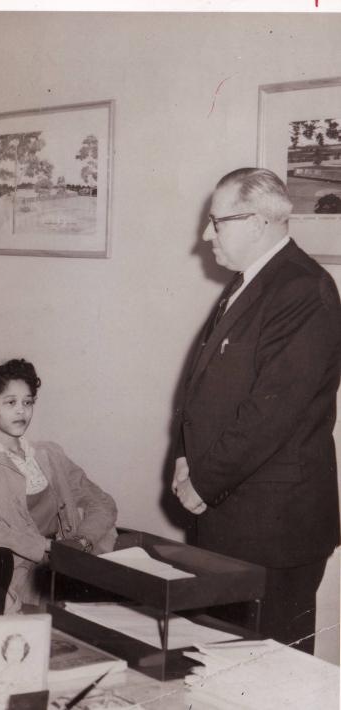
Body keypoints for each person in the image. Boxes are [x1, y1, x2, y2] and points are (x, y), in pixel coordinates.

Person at [171, 167, 341, 654]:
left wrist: (202, 480)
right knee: (224, 669)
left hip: (274, 530)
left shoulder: (304, 289)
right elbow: (206, 390)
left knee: (269, 677)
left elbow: (271, 415)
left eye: (216, 221)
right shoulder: (252, 282)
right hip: (236, 517)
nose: (207, 235)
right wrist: (186, 456)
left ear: (257, 222)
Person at [0, 359, 117, 613]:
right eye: (10, 402)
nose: (21, 411)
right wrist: (46, 548)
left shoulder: (49, 454)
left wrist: (81, 541)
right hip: (14, 580)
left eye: (27, 402)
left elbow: (102, 502)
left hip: (69, 571)